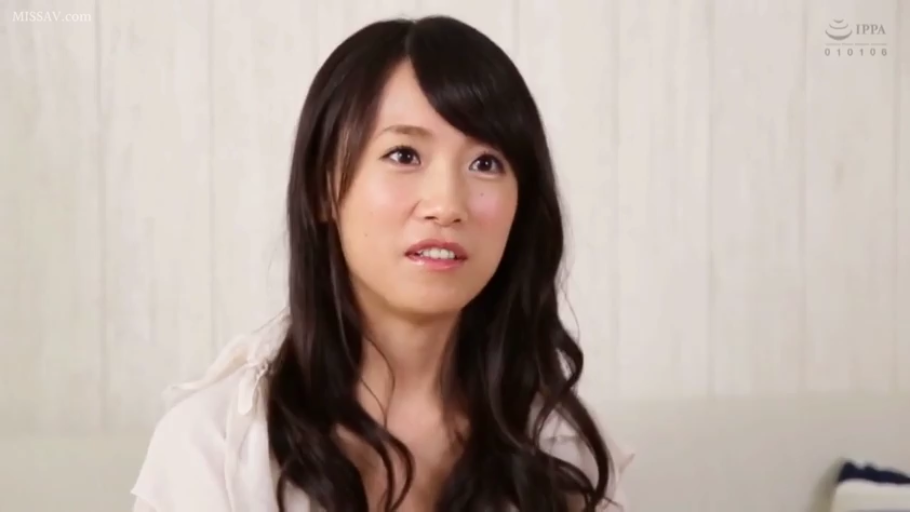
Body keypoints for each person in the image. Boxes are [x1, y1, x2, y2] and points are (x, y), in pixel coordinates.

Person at [130, 14, 634, 512]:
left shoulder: (561, 452)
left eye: (485, 163)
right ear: (323, 188)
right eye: (404, 155)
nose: (447, 204)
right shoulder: (216, 449)